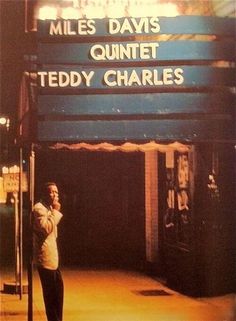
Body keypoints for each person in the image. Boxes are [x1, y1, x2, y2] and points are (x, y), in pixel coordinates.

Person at [32, 182, 64, 321]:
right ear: (44, 193)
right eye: (52, 192)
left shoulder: (48, 208)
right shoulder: (38, 208)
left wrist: (53, 211)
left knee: (58, 294)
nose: (55, 195)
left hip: (53, 260)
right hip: (45, 260)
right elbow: (46, 228)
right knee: (51, 298)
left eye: (56, 192)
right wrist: (56, 211)